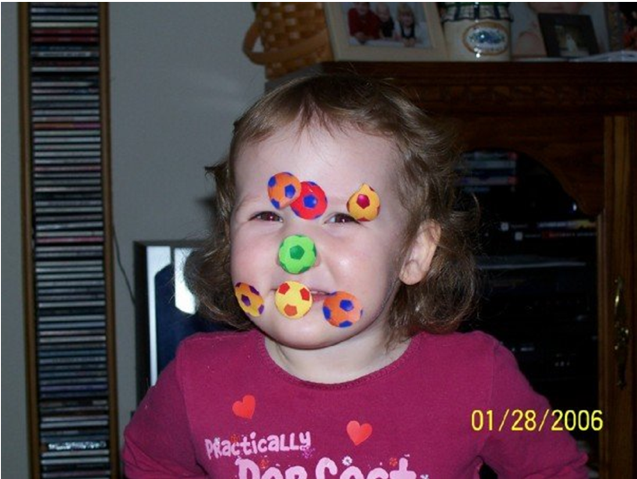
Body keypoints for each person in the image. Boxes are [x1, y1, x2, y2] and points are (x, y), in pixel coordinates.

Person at [122, 74, 589, 478]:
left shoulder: (478, 379)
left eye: (342, 219)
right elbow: (150, 461)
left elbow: (553, 469)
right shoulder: (196, 379)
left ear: (414, 253)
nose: (295, 252)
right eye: (267, 215)